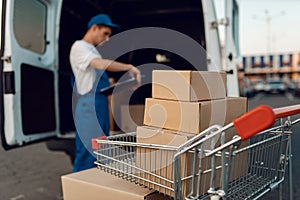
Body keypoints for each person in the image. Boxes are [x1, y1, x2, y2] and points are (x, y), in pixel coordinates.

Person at [69, 14, 141, 172]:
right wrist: (128, 67)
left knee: (100, 152)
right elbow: (100, 64)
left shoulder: (92, 51)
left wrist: (124, 86)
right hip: (88, 108)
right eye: (105, 33)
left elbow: (102, 83)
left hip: (99, 106)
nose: (107, 39)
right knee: (87, 153)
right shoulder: (79, 47)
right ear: (94, 28)